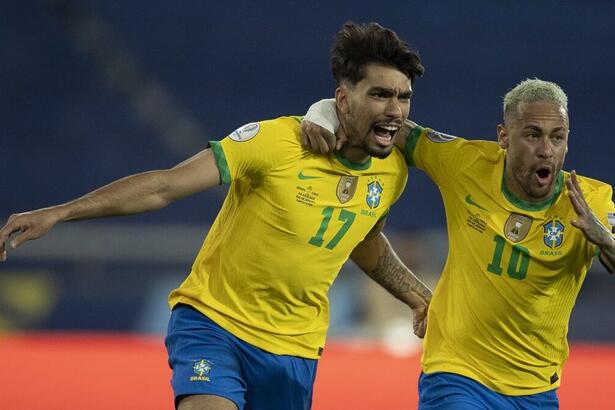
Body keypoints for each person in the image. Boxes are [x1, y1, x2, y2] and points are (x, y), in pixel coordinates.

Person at [0, 22, 432, 410]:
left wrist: (416, 294)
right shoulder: (274, 142)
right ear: (343, 98)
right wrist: (61, 212)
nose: (395, 109)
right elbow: (163, 186)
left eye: (403, 97)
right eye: (380, 94)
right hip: (214, 323)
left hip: (294, 349)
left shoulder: (391, 172)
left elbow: (363, 239)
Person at [302, 78, 615, 409]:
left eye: (557, 137)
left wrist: (606, 242)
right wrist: (324, 111)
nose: (546, 149)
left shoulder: (592, 201)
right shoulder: (467, 163)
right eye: (532, 134)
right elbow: (396, 131)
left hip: (535, 389)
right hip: (456, 374)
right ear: (504, 137)